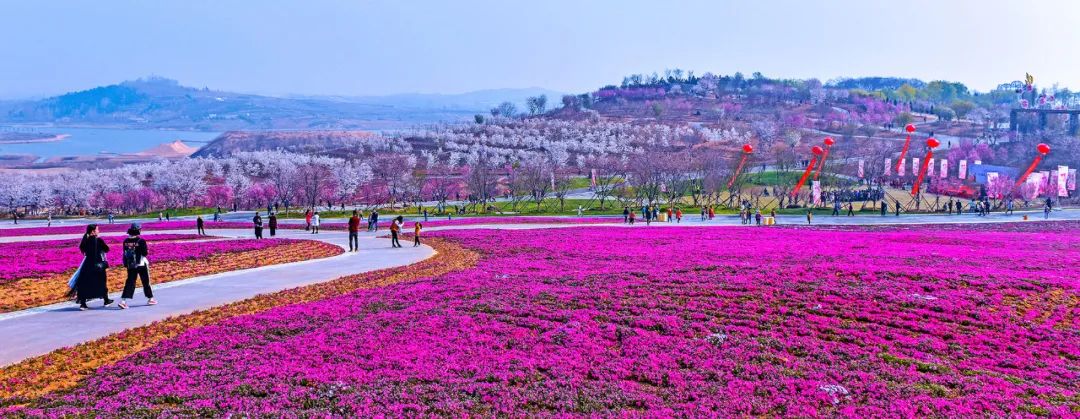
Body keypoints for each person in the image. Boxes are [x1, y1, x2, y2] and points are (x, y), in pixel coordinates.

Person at [72, 224, 113, 310]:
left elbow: (83, 250)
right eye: (97, 229)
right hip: (97, 264)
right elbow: (107, 249)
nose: (99, 231)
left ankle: (83, 304)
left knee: (85, 283)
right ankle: (106, 300)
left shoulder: (84, 241)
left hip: (87, 265)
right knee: (101, 282)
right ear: (93, 231)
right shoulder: (99, 240)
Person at [119, 224, 156, 309]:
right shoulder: (141, 241)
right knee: (145, 282)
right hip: (141, 264)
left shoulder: (125, 241)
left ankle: (123, 301)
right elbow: (145, 253)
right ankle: (150, 298)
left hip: (131, 265)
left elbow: (125, 253)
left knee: (130, 282)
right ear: (138, 230)